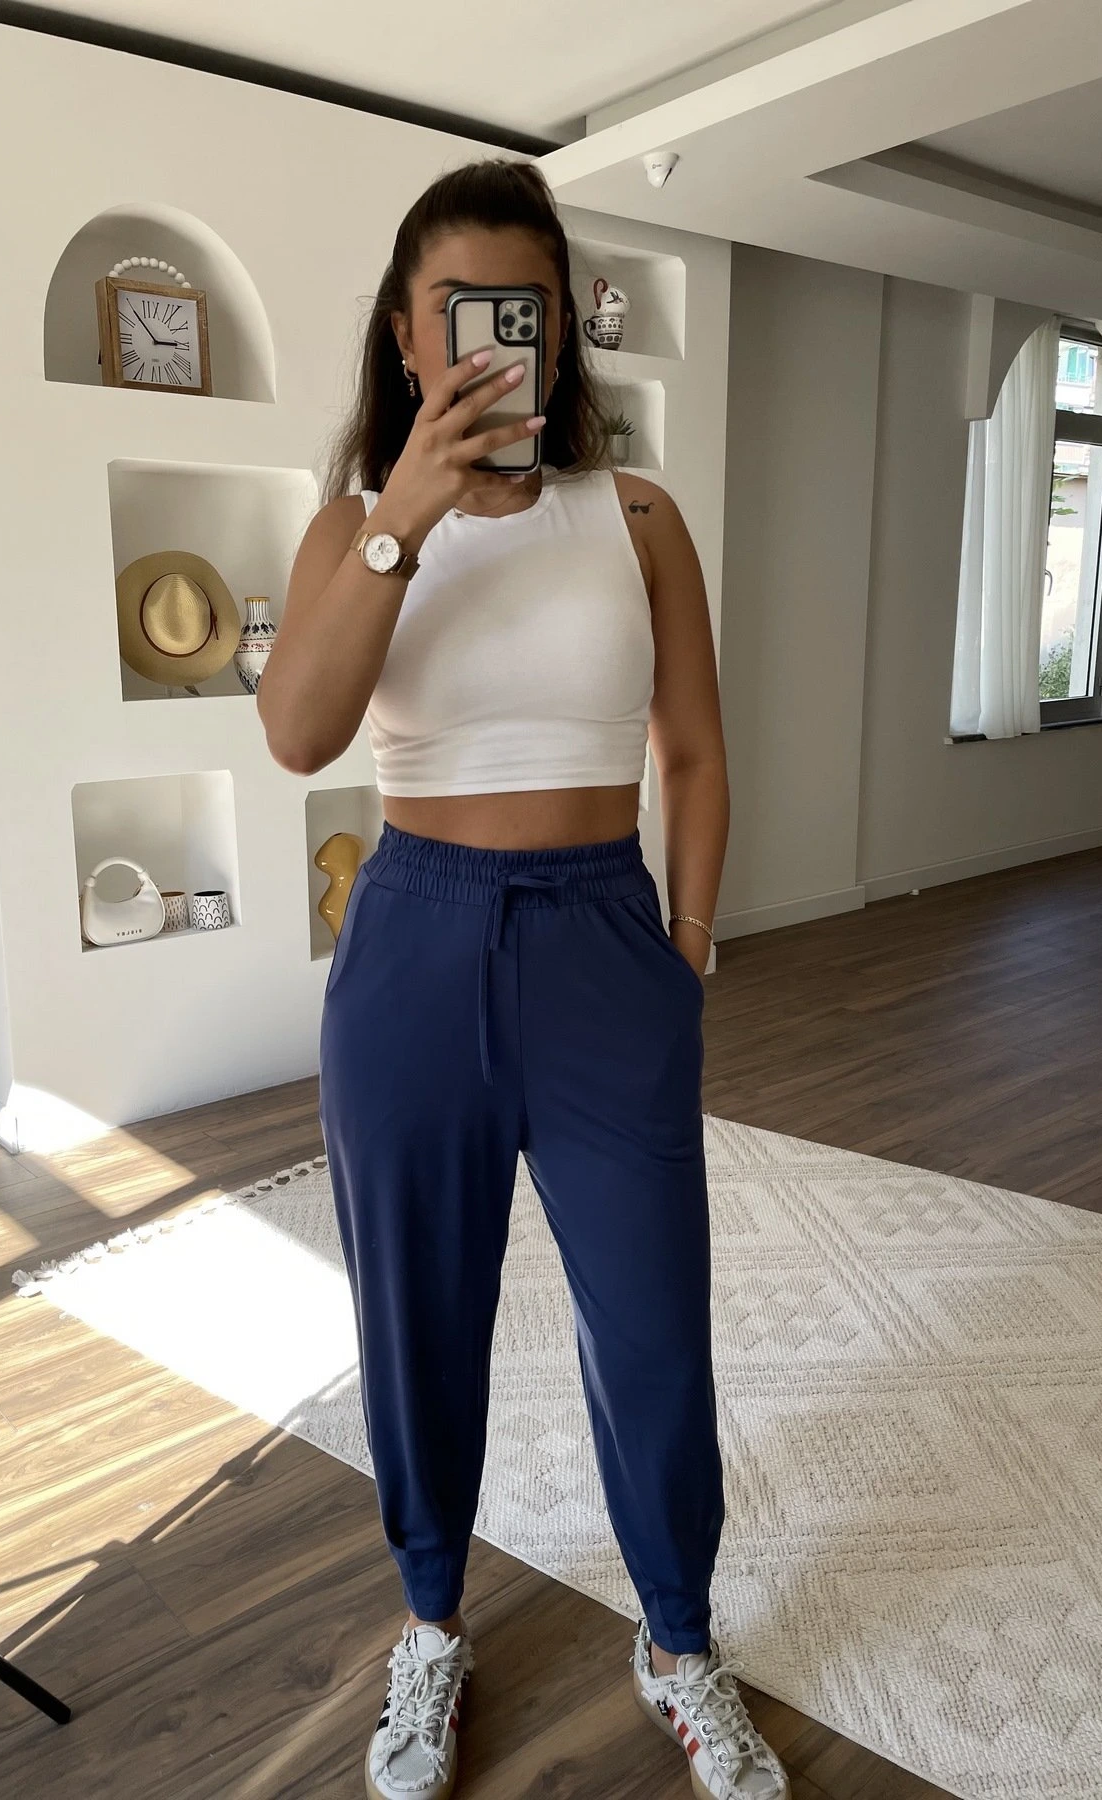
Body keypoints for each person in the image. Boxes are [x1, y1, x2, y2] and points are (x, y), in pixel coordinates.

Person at [257, 157, 790, 1800]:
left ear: (562, 330)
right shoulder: (352, 528)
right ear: (406, 334)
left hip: (606, 946)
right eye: (460, 310)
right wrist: (401, 520)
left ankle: (678, 1643)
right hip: (413, 942)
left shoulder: (636, 516)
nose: (497, 339)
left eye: (529, 310)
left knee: (656, 1327)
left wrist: (686, 949)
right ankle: (431, 1627)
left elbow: (693, 752)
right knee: (419, 1321)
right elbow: (298, 735)